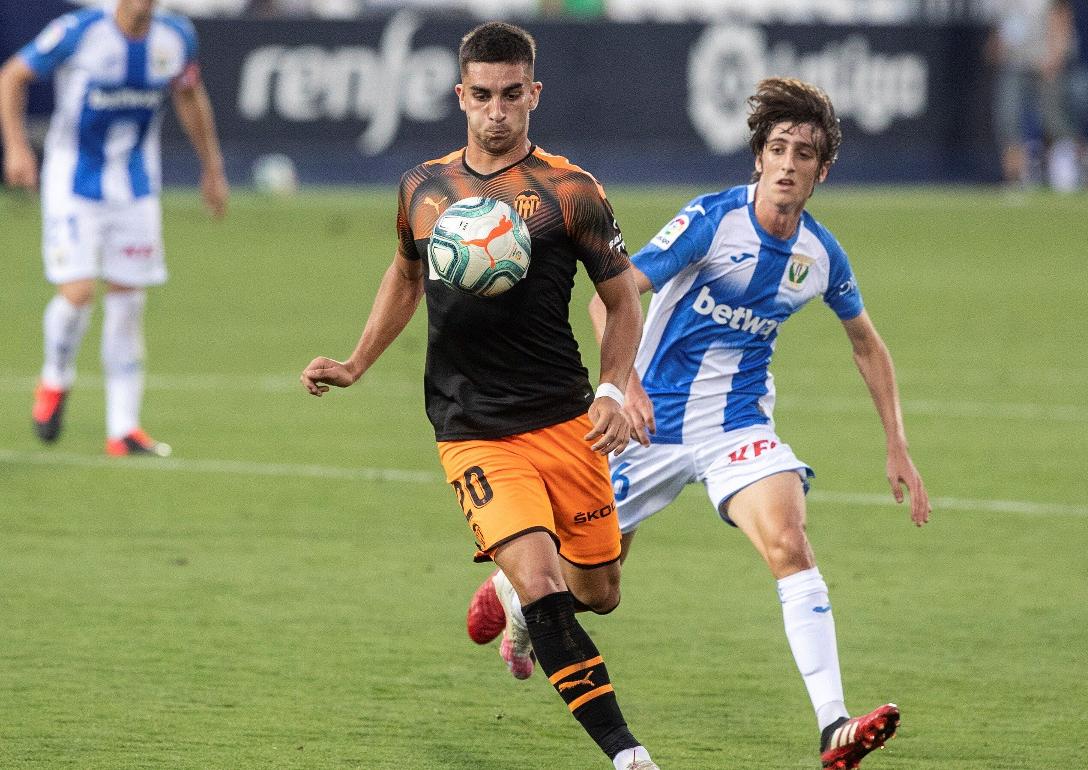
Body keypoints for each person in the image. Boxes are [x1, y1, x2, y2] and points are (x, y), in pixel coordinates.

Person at [470, 77, 931, 770]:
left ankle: (834, 725)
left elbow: (866, 342)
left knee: (790, 542)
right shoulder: (713, 221)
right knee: (598, 592)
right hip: (645, 426)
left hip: (736, 427)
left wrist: (898, 444)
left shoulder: (820, 257)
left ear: (820, 170)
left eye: (803, 153)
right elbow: (610, 295)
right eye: (776, 148)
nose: (786, 163)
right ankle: (516, 593)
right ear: (757, 157)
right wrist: (622, 386)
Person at [299, 21, 659, 770]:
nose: (497, 111)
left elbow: (625, 300)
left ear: (534, 94)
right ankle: (629, 757)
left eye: (512, 95)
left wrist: (614, 390)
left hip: (566, 421)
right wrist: (359, 362)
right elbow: (404, 274)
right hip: (473, 429)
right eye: (482, 96)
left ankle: (515, 599)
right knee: (548, 583)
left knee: (601, 591)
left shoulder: (572, 192)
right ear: (461, 96)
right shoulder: (424, 189)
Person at [1, 0, 228, 456]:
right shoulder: (79, 31)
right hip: (73, 186)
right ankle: (54, 377)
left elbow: (188, 96)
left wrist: (212, 167)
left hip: (137, 191)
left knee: (128, 301)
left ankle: (123, 429)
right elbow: (12, 76)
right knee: (79, 292)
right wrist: (17, 148)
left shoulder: (175, 37)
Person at [986, 0, 1088, 188]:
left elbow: (1061, 18)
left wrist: (1055, 56)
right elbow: (1000, 32)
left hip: (1047, 64)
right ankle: (1015, 179)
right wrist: (997, 47)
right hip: (1016, 64)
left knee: (1057, 124)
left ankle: (1082, 169)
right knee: (1008, 120)